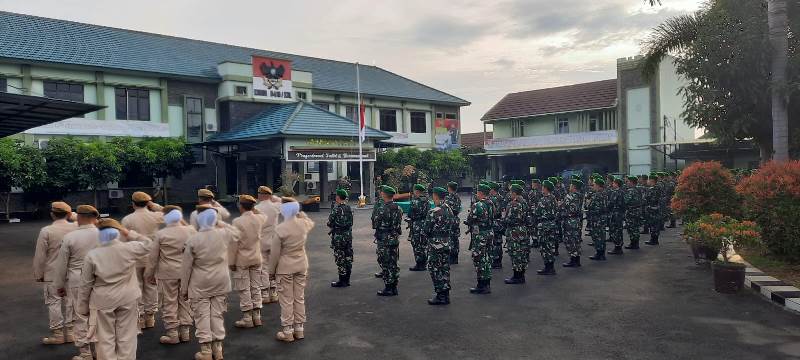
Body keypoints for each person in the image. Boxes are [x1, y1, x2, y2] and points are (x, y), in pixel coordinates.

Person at [77, 218, 153, 360]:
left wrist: (82, 307)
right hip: (128, 297)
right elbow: (150, 244)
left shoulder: (92, 255)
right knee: (127, 336)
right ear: (117, 233)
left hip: (103, 300)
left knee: (105, 338)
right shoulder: (130, 248)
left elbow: (85, 284)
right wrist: (129, 233)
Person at [181, 205, 239, 360]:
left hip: (200, 282)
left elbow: (186, 268)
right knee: (217, 314)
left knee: (202, 315)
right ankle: (218, 349)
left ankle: (206, 351)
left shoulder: (192, 240)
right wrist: (220, 223)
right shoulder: (224, 234)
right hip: (221, 280)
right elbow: (237, 234)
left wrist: (184, 289)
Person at [144, 205, 196, 344]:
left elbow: (153, 258)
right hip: (187, 272)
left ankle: (172, 333)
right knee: (185, 301)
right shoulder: (190, 231)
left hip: (167, 273)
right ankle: (185, 332)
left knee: (169, 303)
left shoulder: (161, 234)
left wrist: (149, 274)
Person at [53, 204, 99, 360]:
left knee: (81, 317)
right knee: (100, 316)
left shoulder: (70, 237)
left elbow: (61, 265)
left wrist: (59, 285)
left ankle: (85, 353)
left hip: (77, 280)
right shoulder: (103, 233)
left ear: (78, 217)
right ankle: (101, 351)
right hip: (101, 279)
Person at [269, 199, 314, 342]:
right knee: (299, 298)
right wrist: (300, 213)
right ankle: (299, 329)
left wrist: (271, 272)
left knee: (286, 300)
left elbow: (275, 254)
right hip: (301, 265)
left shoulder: (280, 229)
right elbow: (310, 222)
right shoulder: (303, 224)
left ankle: (287, 331)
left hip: (285, 267)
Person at [33, 201, 78, 345]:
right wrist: (75, 217)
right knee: (72, 301)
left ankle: (58, 334)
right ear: (69, 214)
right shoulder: (77, 227)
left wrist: (38, 274)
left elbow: (40, 256)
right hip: (72, 271)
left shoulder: (46, 231)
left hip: (52, 272)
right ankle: (71, 332)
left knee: (54, 302)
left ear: (52, 214)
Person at [120, 191, 163, 330]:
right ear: (148, 203)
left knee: (136, 286)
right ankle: (150, 316)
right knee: (151, 285)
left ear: (133, 203)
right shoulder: (156, 216)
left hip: (135, 256)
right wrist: (154, 205)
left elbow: (123, 240)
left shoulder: (127, 219)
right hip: (152, 255)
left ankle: (140, 315)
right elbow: (171, 212)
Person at [229, 195, 266, 329]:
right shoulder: (259, 219)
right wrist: (253, 209)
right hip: (256, 257)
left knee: (244, 288)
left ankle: (247, 318)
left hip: (242, 259)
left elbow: (233, 244)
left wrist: (231, 261)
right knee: (256, 287)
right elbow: (263, 215)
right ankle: (257, 316)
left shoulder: (237, 222)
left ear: (241, 206)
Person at [424, 187, 454, 305]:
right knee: (445, 268)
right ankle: (445, 294)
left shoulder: (433, 212)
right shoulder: (448, 209)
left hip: (435, 244)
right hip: (446, 241)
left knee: (435, 269)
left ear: (435, 196)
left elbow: (426, 230)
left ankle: (440, 295)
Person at [372, 186, 403, 296]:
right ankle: (394, 286)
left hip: (384, 239)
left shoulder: (382, 209)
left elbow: (375, 223)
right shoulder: (398, 208)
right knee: (393, 262)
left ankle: (389, 287)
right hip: (394, 238)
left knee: (386, 263)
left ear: (384, 195)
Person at [466, 183, 494, 294]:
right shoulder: (490, 203)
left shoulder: (478, 205)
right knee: (487, 258)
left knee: (479, 258)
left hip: (480, 234)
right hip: (489, 232)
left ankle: (482, 285)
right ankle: (486, 283)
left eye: (477, 192)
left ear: (480, 193)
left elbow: (470, 219)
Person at [255, 186, 281, 304]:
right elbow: (280, 201)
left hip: (261, 240)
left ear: (261, 194)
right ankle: (274, 292)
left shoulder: (256, 208)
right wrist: (272, 197)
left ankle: (265, 294)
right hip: (274, 240)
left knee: (263, 267)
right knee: (273, 266)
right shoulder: (275, 207)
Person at [503, 183, 530, 284]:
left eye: (510, 192)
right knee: (522, 252)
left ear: (514, 193)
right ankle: (521, 275)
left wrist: (503, 220)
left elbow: (509, 219)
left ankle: (517, 277)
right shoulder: (524, 202)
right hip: (523, 229)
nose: (510, 194)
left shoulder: (513, 204)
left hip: (514, 231)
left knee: (515, 253)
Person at [328, 188, 354, 288]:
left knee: (340, 257)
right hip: (348, 236)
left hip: (338, 237)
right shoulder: (349, 208)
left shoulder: (336, 209)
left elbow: (330, 223)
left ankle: (342, 280)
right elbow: (351, 223)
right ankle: (347, 279)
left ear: (338, 197)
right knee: (348, 256)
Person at [534, 180, 559, 275]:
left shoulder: (544, 200)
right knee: (549, 246)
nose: (541, 188)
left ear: (546, 188)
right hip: (551, 224)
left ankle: (549, 268)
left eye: (543, 187)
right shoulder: (553, 198)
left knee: (545, 247)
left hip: (544, 226)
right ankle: (550, 267)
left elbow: (537, 213)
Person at [562, 180, 584, 267]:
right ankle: (576, 260)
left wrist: (563, 210)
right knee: (575, 241)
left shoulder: (572, 197)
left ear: (574, 187)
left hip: (571, 221)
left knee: (571, 241)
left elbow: (572, 210)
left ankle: (574, 260)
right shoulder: (579, 196)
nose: (569, 186)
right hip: (575, 221)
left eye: (571, 185)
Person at [407, 184, 429, 271]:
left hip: (416, 224)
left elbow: (410, 214)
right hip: (424, 223)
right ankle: (424, 263)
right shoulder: (426, 201)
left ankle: (419, 264)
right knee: (423, 244)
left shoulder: (415, 201)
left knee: (416, 244)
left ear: (417, 191)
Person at [587, 178, 608, 261]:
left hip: (597, 218)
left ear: (599, 186)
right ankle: (601, 254)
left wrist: (588, 203)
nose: (593, 186)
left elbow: (590, 206)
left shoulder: (597, 195)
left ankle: (599, 254)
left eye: (594, 185)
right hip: (602, 218)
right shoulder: (605, 193)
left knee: (597, 236)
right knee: (602, 236)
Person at [623, 176, 644, 250]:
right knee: (636, 227)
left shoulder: (630, 191)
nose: (627, 182)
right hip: (638, 210)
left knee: (632, 228)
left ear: (631, 182)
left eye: (628, 181)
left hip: (632, 211)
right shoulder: (639, 189)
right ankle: (635, 243)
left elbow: (625, 201)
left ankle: (633, 243)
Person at [487, 182, 504, 269]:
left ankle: (497, 261)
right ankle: (498, 260)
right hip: (498, 221)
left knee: (496, 242)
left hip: (495, 221)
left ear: (492, 190)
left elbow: (495, 212)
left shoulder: (494, 199)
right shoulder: (500, 197)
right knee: (498, 242)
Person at [445, 182, 462, 265]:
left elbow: (446, 208)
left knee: (451, 238)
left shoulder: (449, 197)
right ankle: (455, 257)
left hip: (451, 219)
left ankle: (452, 257)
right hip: (456, 219)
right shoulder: (458, 196)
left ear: (449, 188)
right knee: (455, 238)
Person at [607, 178, 626, 255]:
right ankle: (618, 247)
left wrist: (606, 209)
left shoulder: (616, 192)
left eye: (614, 183)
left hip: (616, 213)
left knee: (616, 230)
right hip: (620, 213)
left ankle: (617, 248)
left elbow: (611, 203)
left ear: (617, 184)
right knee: (619, 229)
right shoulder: (622, 192)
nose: (612, 184)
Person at [645, 174, 663, 245]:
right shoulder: (659, 187)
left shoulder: (652, 189)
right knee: (656, 224)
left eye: (649, 180)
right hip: (657, 208)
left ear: (652, 181)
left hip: (652, 209)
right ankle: (655, 239)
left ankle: (653, 240)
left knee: (653, 224)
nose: (648, 181)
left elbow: (646, 198)